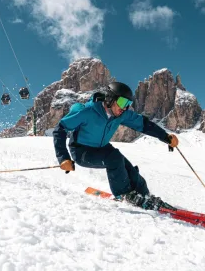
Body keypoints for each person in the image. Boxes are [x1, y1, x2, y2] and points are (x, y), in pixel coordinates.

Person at [53, 82, 179, 210]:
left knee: (127, 167)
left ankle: (144, 195)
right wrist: (63, 157)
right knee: (114, 158)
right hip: (81, 151)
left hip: (102, 148)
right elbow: (60, 129)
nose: (125, 108)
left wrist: (165, 137)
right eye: (123, 102)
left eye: (128, 104)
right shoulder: (87, 111)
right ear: (110, 98)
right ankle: (124, 194)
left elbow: (143, 124)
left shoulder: (120, 115)